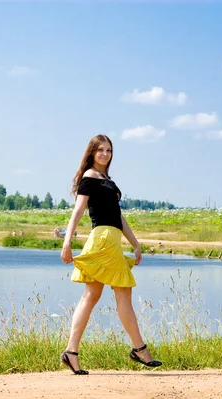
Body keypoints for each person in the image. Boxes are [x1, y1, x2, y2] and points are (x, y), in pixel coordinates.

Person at [60, 134, 162, 375]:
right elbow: (78, 211)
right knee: (119, 294)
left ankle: (71, 352)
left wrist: (135, 244)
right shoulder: (90, 177)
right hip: (102, 240)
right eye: (100, 150)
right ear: (92, 153)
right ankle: (139, 349)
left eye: (108, 150)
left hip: (111, 240)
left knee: (92, 297)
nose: (105, 154)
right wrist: (67, 242)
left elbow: (118, 216)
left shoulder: (106, 179)